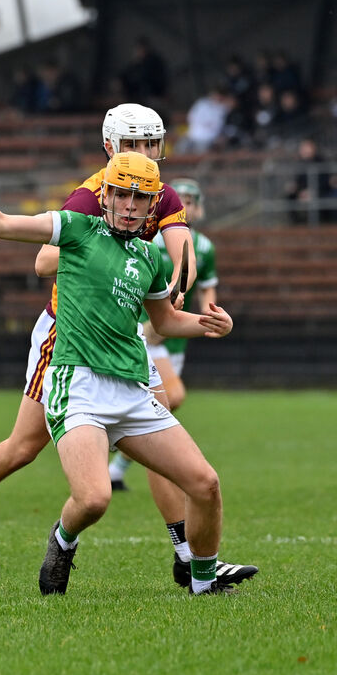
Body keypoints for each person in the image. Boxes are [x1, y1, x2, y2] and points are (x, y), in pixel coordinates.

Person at [0, 104, 257, 593]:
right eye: (131, 150)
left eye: (150, 146)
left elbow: (177, 275)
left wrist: (197, 309)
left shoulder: (158, 204)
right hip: (66, 336)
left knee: (186, 457)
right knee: (30, 452)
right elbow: (18, 241)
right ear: (110, 156)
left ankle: (189, 560)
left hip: (125, 350)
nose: (140, 163)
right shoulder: (86, 208)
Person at [109, 177, 217, 490]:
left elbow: (206, 288)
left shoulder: (205, 247)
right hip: (147, 330)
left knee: (164, 405)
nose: (186, 206)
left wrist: (208, 317)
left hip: (176, 337)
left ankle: (117, 467)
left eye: (192, 200)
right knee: (171, 400)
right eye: (180, 200)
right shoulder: (152, 240)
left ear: (200, 208)